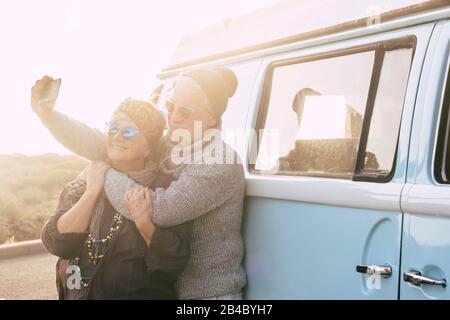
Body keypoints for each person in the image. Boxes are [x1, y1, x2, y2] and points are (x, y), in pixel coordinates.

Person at [31, 67, 246, 300]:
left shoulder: (220, 161)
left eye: (184, 111)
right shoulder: (170, 143)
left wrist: (103, 174)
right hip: (175, 291)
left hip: (209, 294)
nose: (173, 118)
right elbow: (104, 143)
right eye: (171, 107)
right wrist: (49, 116)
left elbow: (161, 209)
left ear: (213, 116)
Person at [40, 98, 192, 299]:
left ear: (148, 146)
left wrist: (145, 224)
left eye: (128, 132)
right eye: (112, 129)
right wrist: (91, 193)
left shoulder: (164, 191)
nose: (117, 137)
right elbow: (58, 244)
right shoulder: (88, 178)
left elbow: (173, 262)